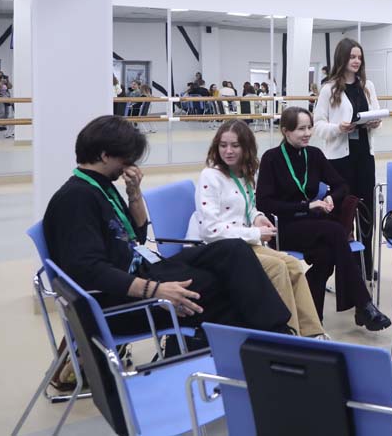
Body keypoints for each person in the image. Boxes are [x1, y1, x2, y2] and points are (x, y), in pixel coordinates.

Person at [43, 115, 293, 339]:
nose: (129, 164)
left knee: (234, 250)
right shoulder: (76, 199)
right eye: (126, 157)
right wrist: (155, 290)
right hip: (120, 301)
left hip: (145, 268)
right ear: (105, 155)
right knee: (227, 286)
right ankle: (277, 337)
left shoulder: (102, 187)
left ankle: (277, 332)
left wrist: (134, 193)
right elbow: (89, 271)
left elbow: (138, 235)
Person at [256, 106, 391, 331]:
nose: (307, 133)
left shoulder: (314, 155)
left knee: (326, 256)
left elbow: (341, 185)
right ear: (285, 131)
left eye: (309, 127)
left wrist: (330, 197)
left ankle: (313, 320)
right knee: (336, 232)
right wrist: (306, 206)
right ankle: (363, 304)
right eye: (301, 129)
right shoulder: (272, 158)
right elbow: (265, 203)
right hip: (286, 227)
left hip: (313, 224)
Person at [189, 120, 326, 338]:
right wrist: (255, 233)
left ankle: (313, 333)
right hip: (217, 249)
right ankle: (288, 335)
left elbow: (248, 207)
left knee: (292, 265)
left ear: (246, 148)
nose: (228, 151)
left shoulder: (243, 174)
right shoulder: (210, 176)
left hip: (240, 244)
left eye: (235, 145)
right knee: (277, 267)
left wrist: (258, 217)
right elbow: (210, 230)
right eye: (223, 145)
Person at [313, 38, 382, 279]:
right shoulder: (329, 89)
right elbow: (318, 125)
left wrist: (375, 122)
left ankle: (365, 265)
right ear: (342, 58)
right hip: (339, 160)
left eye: (359, 57)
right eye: (352, 56)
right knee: (342, 213)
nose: (356, 61)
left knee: (366, 213)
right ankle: (344, 267)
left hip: (364, 157)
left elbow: (376, 114)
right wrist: (338, 128)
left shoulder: (367, 86)